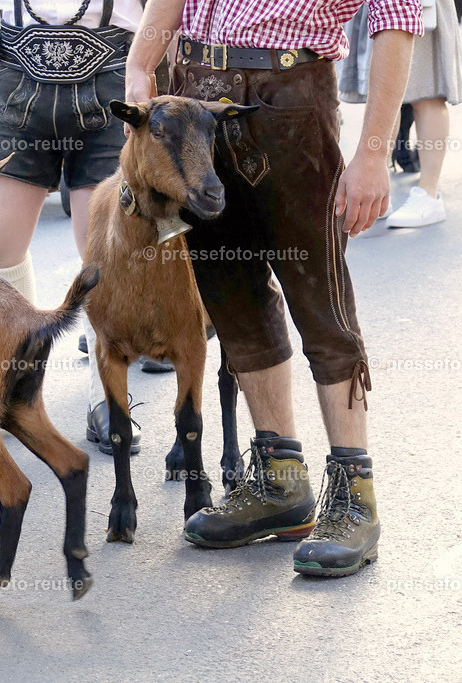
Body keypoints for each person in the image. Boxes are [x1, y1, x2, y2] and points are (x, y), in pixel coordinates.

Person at [129, 0, 423, 576]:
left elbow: (398, 16)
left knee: (321, 301)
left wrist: (373, 153)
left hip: (289, 100)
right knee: (231, 299)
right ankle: (281, 482)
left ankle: (354, 494)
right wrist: (142, 64)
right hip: (192, 102)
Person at [0, 0, 145, 454]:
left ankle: (110, 399)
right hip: (19, 76)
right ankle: (13, 385)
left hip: (113, 75)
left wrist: (153, 66)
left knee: (100, 252)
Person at [385, 0, 462, 227]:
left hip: (419, 6)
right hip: (376, 7)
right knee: (381, 90)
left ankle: (429, 194)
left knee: (427, 92)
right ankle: (378, 191)